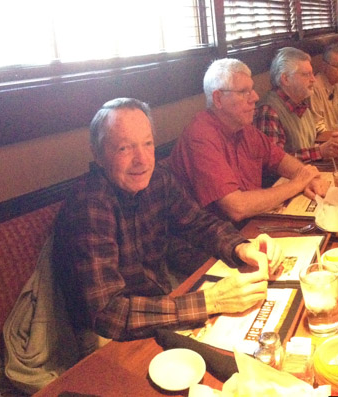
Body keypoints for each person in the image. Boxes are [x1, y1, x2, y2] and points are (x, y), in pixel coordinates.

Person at [53, 98, 284, 344]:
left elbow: (198, 223)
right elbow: (108, 314)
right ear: (98, 154)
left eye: (148, 144)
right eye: (124, 148)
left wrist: (241, 247)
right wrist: (212, 300)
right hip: (104, 336)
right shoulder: (90, 205)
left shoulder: (158, 179)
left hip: (160, 302)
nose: (142, 159)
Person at [169, 58, 326, 223]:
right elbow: (237, 208)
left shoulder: (244, 128)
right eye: (244, 92)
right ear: (218, 99)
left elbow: (281, 160)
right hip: (212, 239)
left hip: (249, 225)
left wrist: (309, 179)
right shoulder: (200, 136)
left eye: (252, 90)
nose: (255, 97)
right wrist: (297, 184)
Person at [254, 47, 338, 163]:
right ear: (285, 79)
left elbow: (309, 144)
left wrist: (331, 146)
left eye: (312, 74)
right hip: (287, 180)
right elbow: (274, 161)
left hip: (307, 173)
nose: (313, 79)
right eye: (306, 75)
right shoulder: (269, 111)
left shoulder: (301, 103)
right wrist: (320, 151)